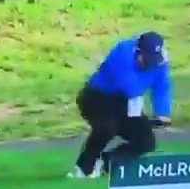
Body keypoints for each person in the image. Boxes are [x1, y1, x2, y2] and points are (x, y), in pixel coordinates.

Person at [68, 31, 173, 179]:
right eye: (146, 59)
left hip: (126, 101)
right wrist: (138, 112)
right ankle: (83, 168)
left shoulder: (160, 62)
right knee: (107, 128)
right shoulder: (123, 50)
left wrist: (162, 113)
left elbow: (162, 86)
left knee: (146, 140)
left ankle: (106, 163)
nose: (149, 65)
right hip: (97, 97)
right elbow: (128, 83)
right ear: (138, 51)